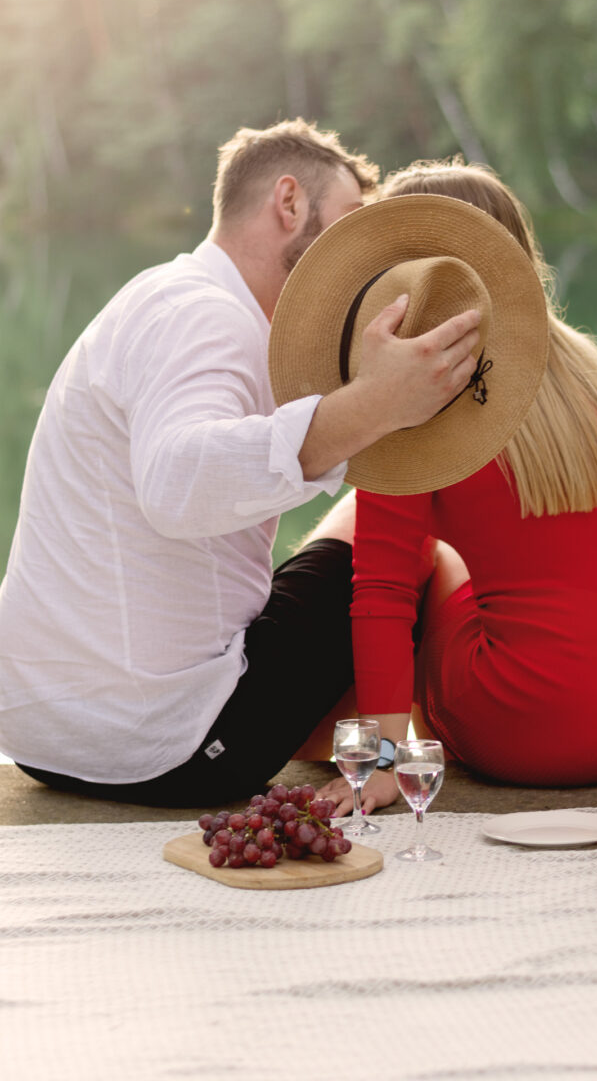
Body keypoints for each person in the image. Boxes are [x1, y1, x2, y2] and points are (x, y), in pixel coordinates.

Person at [0, 123, 484, 807]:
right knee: (401, 551)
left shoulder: (165, 296)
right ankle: (382, 762)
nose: (359, 260)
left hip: (47, 739)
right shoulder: (205, 314)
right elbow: (176, 484)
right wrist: (376, 404)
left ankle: (359, 747)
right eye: (348, 223)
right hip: (168, 748)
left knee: (356, 526)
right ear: (289, 202)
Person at [288, 159, 597, 816]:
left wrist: (385, 766)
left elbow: (381, 589)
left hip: (525, 732)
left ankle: (351, 740)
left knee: (388, 537)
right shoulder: (581, 367)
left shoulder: (414, 398)